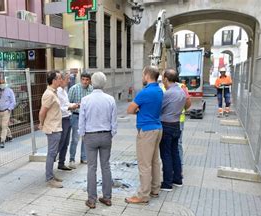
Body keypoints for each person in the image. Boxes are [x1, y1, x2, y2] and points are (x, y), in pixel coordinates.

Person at [125, 66, 163, 204]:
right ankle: (155, 188)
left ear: (147, 75)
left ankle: (143, 195)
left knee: (144, 164)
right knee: (154, 161)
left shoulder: (144, 92)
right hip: (158, 128)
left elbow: (130, 109)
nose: (142, 77)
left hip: (146, 130)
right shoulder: (159, 90)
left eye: (143, 75)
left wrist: (138, 111)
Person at [79, 72, 117, 208]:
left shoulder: (85, 100)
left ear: (91, 83)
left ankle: (91, 199)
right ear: (104, 83)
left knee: (91, 167)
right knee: (106, 166)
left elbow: (81, 121)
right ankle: (107, 197)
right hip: (106, 135)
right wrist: (111, 133)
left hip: (90, 135)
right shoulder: (110, 99)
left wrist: (82, 134)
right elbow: (114, 121)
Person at [158, 69, 187, 191]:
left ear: (166, 79)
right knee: (175, 153)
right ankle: (177, 179)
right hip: (176, 124)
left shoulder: (168, 94)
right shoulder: (181, 91)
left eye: (163, 78)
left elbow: (159, 108)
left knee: (166, 154)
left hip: (167, 126)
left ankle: (167, 183)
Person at [39, 70, 63, 188]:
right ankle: (49, 178)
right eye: (59, 78)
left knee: (53, 153)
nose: (61, 80)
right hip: (52, 128)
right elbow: (42, 112)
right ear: (53, 80)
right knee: (51, 153)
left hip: (56, 127)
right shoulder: (49, 94)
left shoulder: (54, 92)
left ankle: (51, 175)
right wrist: (41, 124)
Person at [68, 72, 93, 168]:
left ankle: (83, 157)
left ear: (89, 80)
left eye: (87, 80)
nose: (85, 81)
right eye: (83, 79)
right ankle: (72, 159)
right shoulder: (74, 89)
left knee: (85, 139)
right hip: (76, 116)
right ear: (80, 79)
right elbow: (68, 103)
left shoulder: (92, 89)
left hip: (87, 117)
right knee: (75, 139)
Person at [56, 72, 79, 171]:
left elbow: (66, 103)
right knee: (61, 142)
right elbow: (60, 107)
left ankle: (61, 162)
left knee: (66, 142)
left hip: (67, 117)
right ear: (61, 80)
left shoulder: (64, 91)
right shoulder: (57, 92)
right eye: (67, 79)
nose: (69, 81)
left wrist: (74, 104)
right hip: (62, 118)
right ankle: (54, 159)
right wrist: (71, 107)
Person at [0, 80, 16, 148]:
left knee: (4, 126)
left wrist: (9, 109)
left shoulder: (9, 91)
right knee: (2, 125)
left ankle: (2, 141)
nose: (1, 84)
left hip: (6, 111)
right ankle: (10, 136)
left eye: (2, 83)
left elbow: (13, 101)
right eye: (0, 83)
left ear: (5, 83)